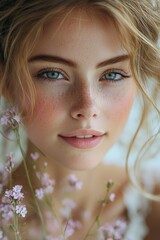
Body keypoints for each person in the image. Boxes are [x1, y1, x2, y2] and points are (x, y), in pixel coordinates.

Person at [0, 0, 160, 239]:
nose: (87, 108)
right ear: (6, 82)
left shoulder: (152, 207)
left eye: (113, 74)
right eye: (52, 74)